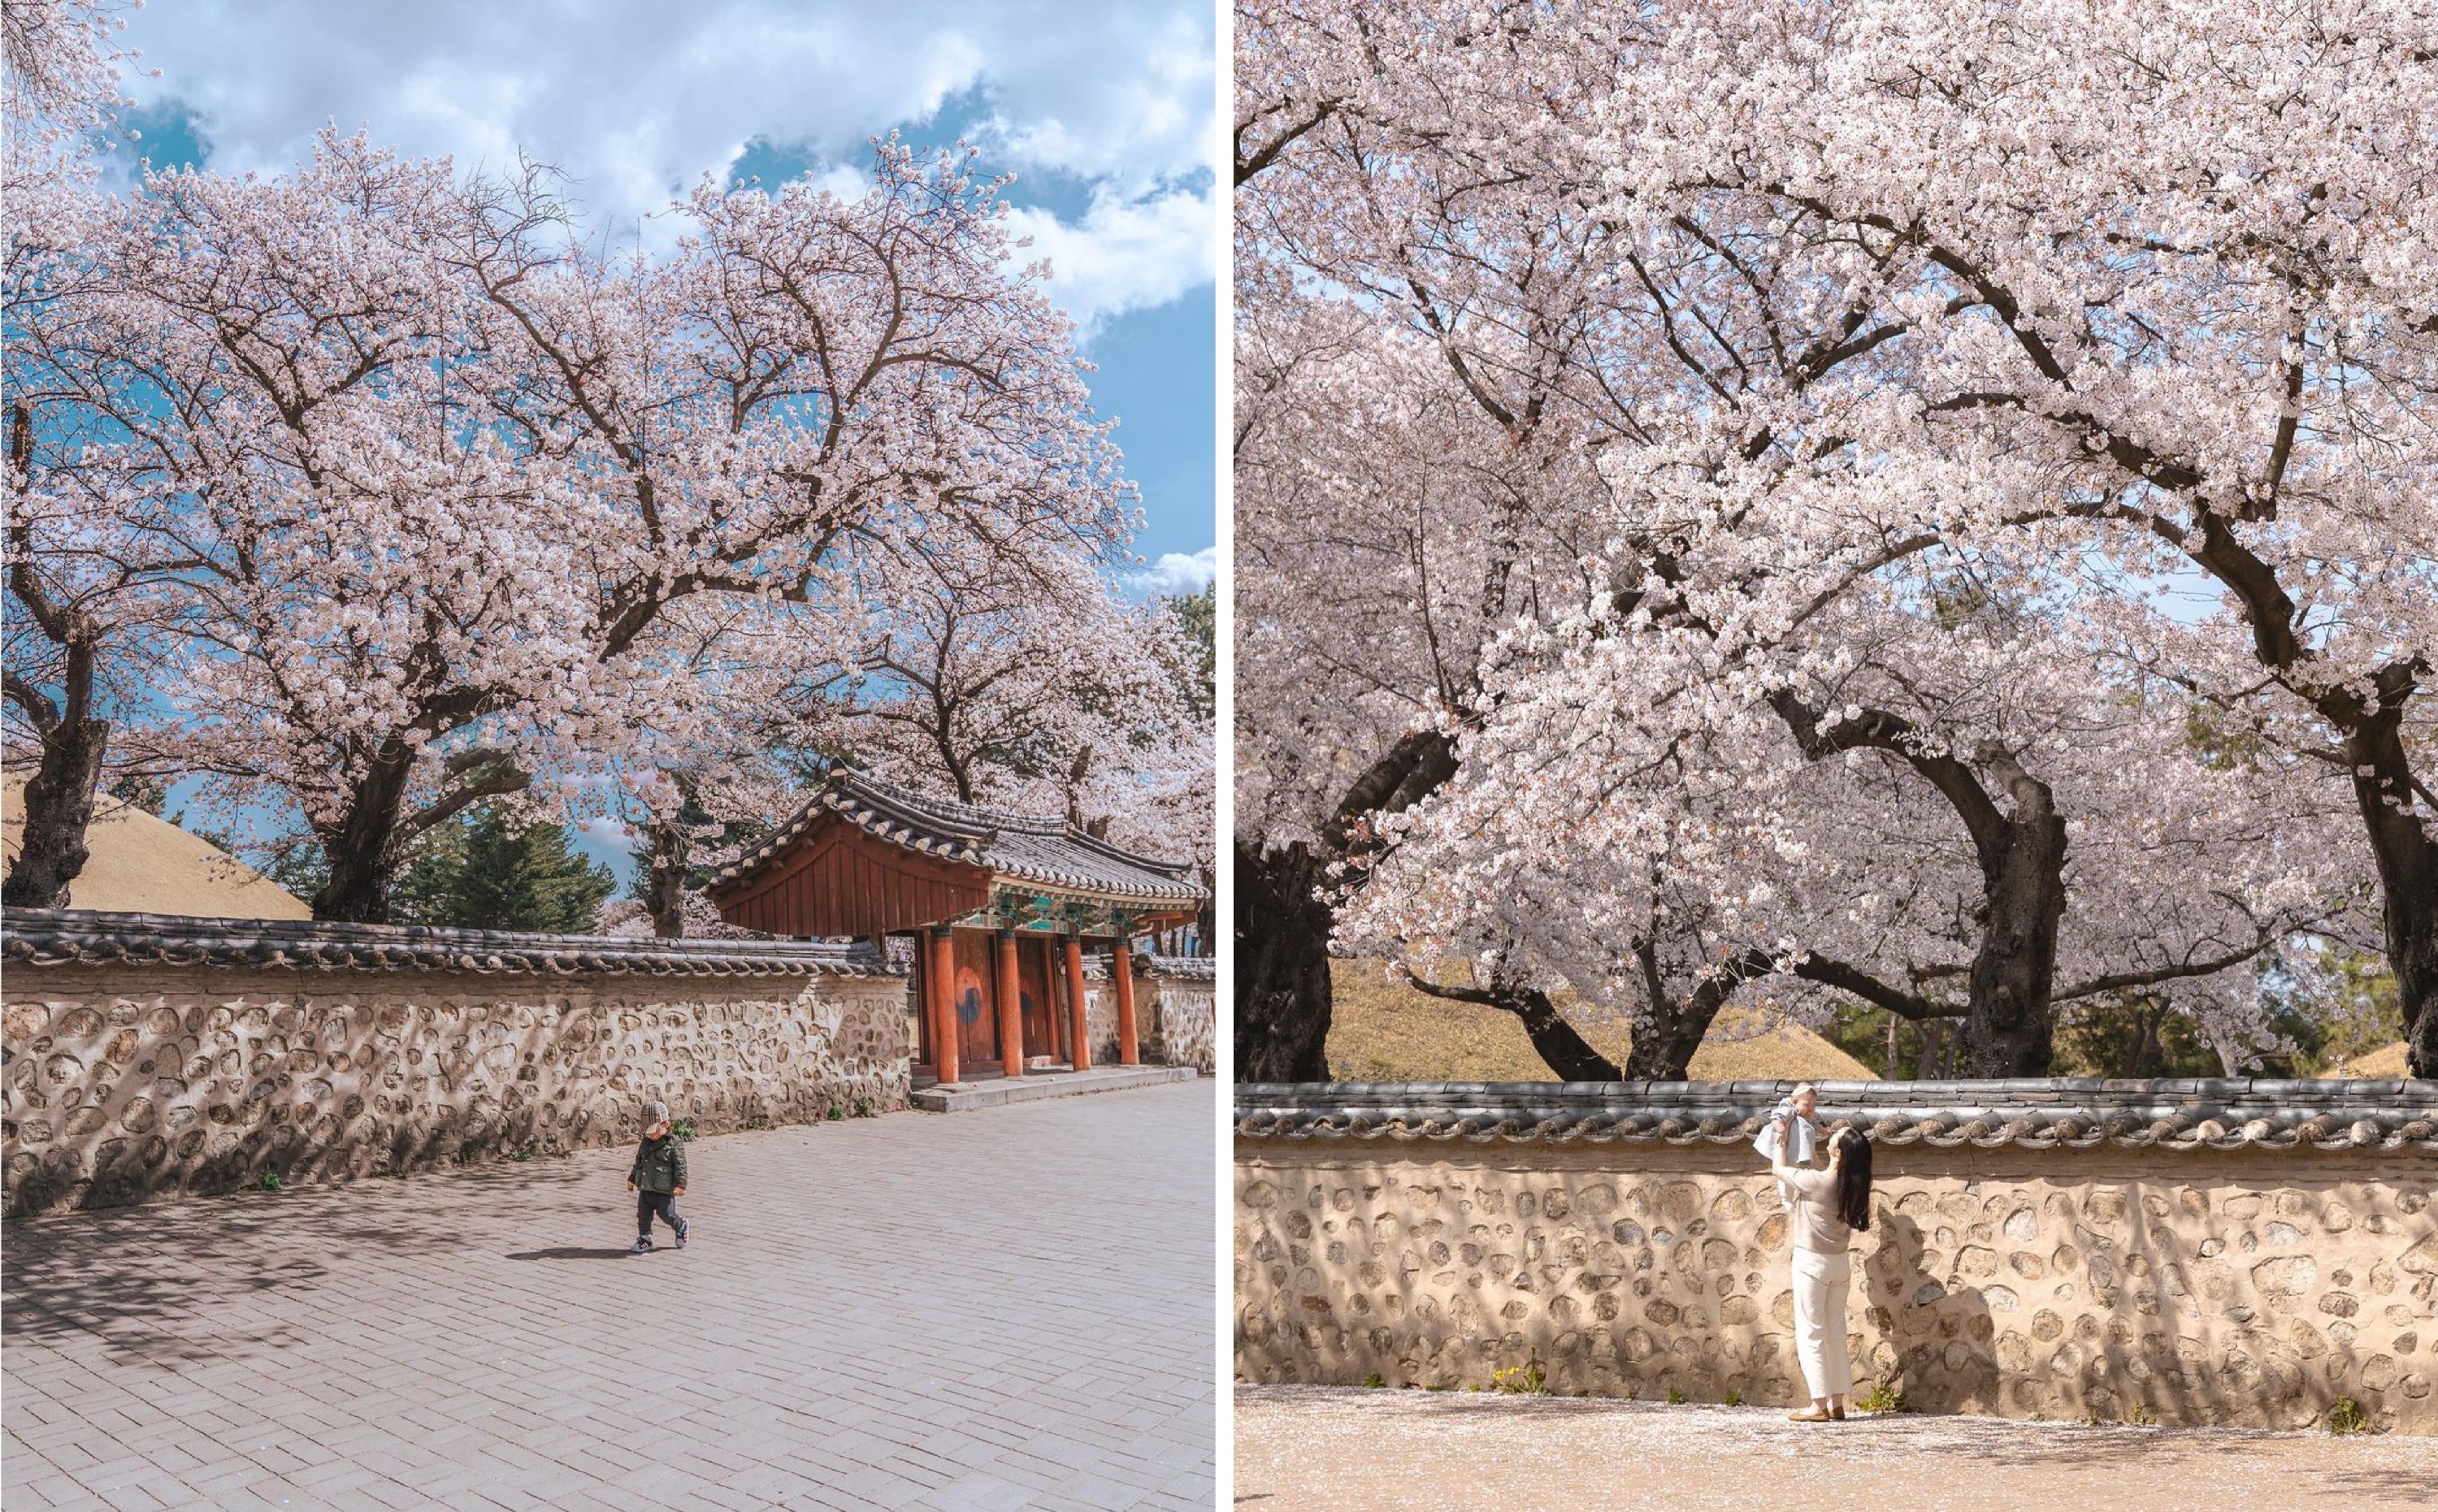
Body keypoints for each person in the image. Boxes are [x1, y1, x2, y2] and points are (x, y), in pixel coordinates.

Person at [1771, 1124, 1873, 1422]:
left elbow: (1778, 1168)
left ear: (1838, 1152)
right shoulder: (1853, 1183)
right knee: (1835, 1332)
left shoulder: (1816, 1182)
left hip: (1811, 1262)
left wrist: (1781, 1139)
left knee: (1811, 1332)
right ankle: (1837, 1402)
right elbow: (1819, 1164)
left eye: (1836, 1138)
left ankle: (1818, 1404)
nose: (1832, 1136)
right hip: (1839, 1264)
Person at [626, 1100, 690, 1254]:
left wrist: (681, 1185)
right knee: (643, 1215)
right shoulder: (645, 1143)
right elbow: (639, 1162)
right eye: (647, 1132)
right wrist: (632, 1178)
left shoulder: (674, 1144)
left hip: (664, 1189)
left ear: (666, 1125)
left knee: (667, 1215)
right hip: (646, 1187)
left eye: (654, 1131)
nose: (651, 1135)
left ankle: (681, 1226)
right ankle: (645, 1240)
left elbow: (681, 1165)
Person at [1753, 1082, 1822, 1211]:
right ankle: (1786, 1198)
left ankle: (1805, 1193)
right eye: (1807, 1105)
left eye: (1814, 1105)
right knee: (1785, 1173)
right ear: (1795, 1102)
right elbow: (1776, 1118)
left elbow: (1816, 1124)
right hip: (1785, 1145)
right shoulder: (1788, 1109)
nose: (1811, 1109)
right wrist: (1782, 1130)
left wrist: (1825, 1131)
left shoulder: (1806, 1115)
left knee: (1800, 1172)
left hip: (1799, 1149)